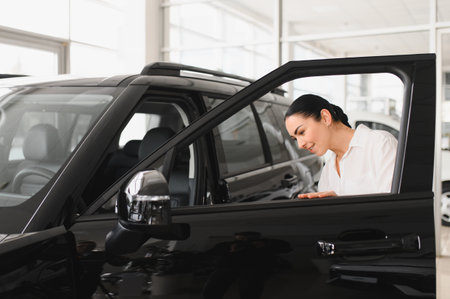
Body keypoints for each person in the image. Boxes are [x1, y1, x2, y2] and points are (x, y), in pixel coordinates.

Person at [284, 94, 398, 198]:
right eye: (295, 139)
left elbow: (397, 209)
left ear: (325, 118)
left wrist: (341, 204)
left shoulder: (380, 145)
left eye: (302, 132)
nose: (300, 145)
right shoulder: (328, 171)